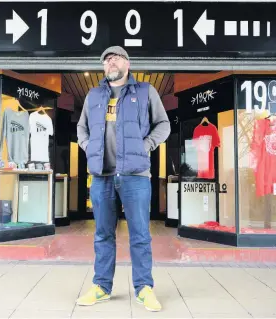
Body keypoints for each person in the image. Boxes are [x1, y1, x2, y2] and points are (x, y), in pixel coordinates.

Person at [76, 46, 171, 312]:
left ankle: (144, 288)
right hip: (102, 176)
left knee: (140, 234)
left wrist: (147, 144)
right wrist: (87, 145)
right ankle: (101, 287)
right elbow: (81, 127)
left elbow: (163, 124)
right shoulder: (93, 96)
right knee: (103, 234)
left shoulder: (145, 92)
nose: (110, 62)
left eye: (115, 57)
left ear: (127, 63)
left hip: (136, 175)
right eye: (106, 60)